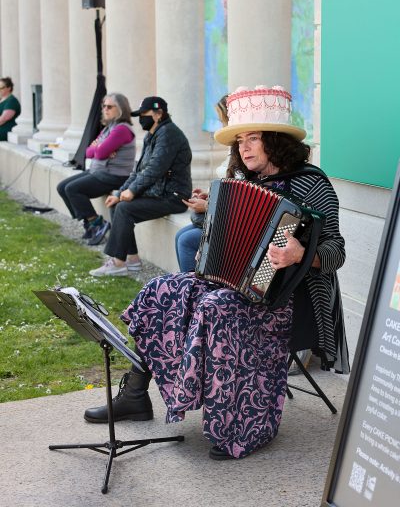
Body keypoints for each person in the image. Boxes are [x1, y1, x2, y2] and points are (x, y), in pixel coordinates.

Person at [84, 85, 349, 462]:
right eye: (240, 139)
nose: (244, 147)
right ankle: (135, 396)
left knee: (217, 307)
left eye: (253, 138)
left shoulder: (312, 183)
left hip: (288, 298)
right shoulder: (243, 182)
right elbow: (222, 238)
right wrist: (206, 210)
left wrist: (301, 253)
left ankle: (241, 425)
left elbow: (336, 252)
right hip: (236, 284)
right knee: (159, 290)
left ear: (277, 140)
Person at [89, 96, 192, 277]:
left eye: (144, 114)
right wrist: (121, 192)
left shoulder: (169, 134)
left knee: (124, 209)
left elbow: (155, 169)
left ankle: (118, 262)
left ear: (158, 114)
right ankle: (133, 259)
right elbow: (138, 170)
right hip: (158, 193)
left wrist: (133, 190)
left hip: (173, 196)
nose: (140, 118)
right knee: (117, 204)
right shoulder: (153, 134)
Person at [57, 93, 136, 245]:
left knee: (72, 189)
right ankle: (89, 222)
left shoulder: (121, 130)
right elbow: (88, 151)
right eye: (104, 106)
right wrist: (100, 149)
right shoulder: (109, 128)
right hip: (99, 172)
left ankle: (97, 223)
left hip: (114, 176)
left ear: (120, 109)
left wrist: (99, 148)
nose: (105, 109)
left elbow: (99, 153)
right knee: (62, 187)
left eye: (109, 106)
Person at [175, 95, 229, 272]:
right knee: (180, 235)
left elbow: (238, 197)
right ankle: (188, 286)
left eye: (223, 121)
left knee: (187, 240)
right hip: (220, 214)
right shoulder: (234, 150)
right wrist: (208, 193)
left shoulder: (242, 153)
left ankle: (195, 291)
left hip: (227, 221)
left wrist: (207, 205)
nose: (221, 127)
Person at [0, 77, 21, 141]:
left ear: (9, 88)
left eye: (1, 88)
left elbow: (2, 120)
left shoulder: (11, 101)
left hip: (5, 131)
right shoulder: (2, 100)